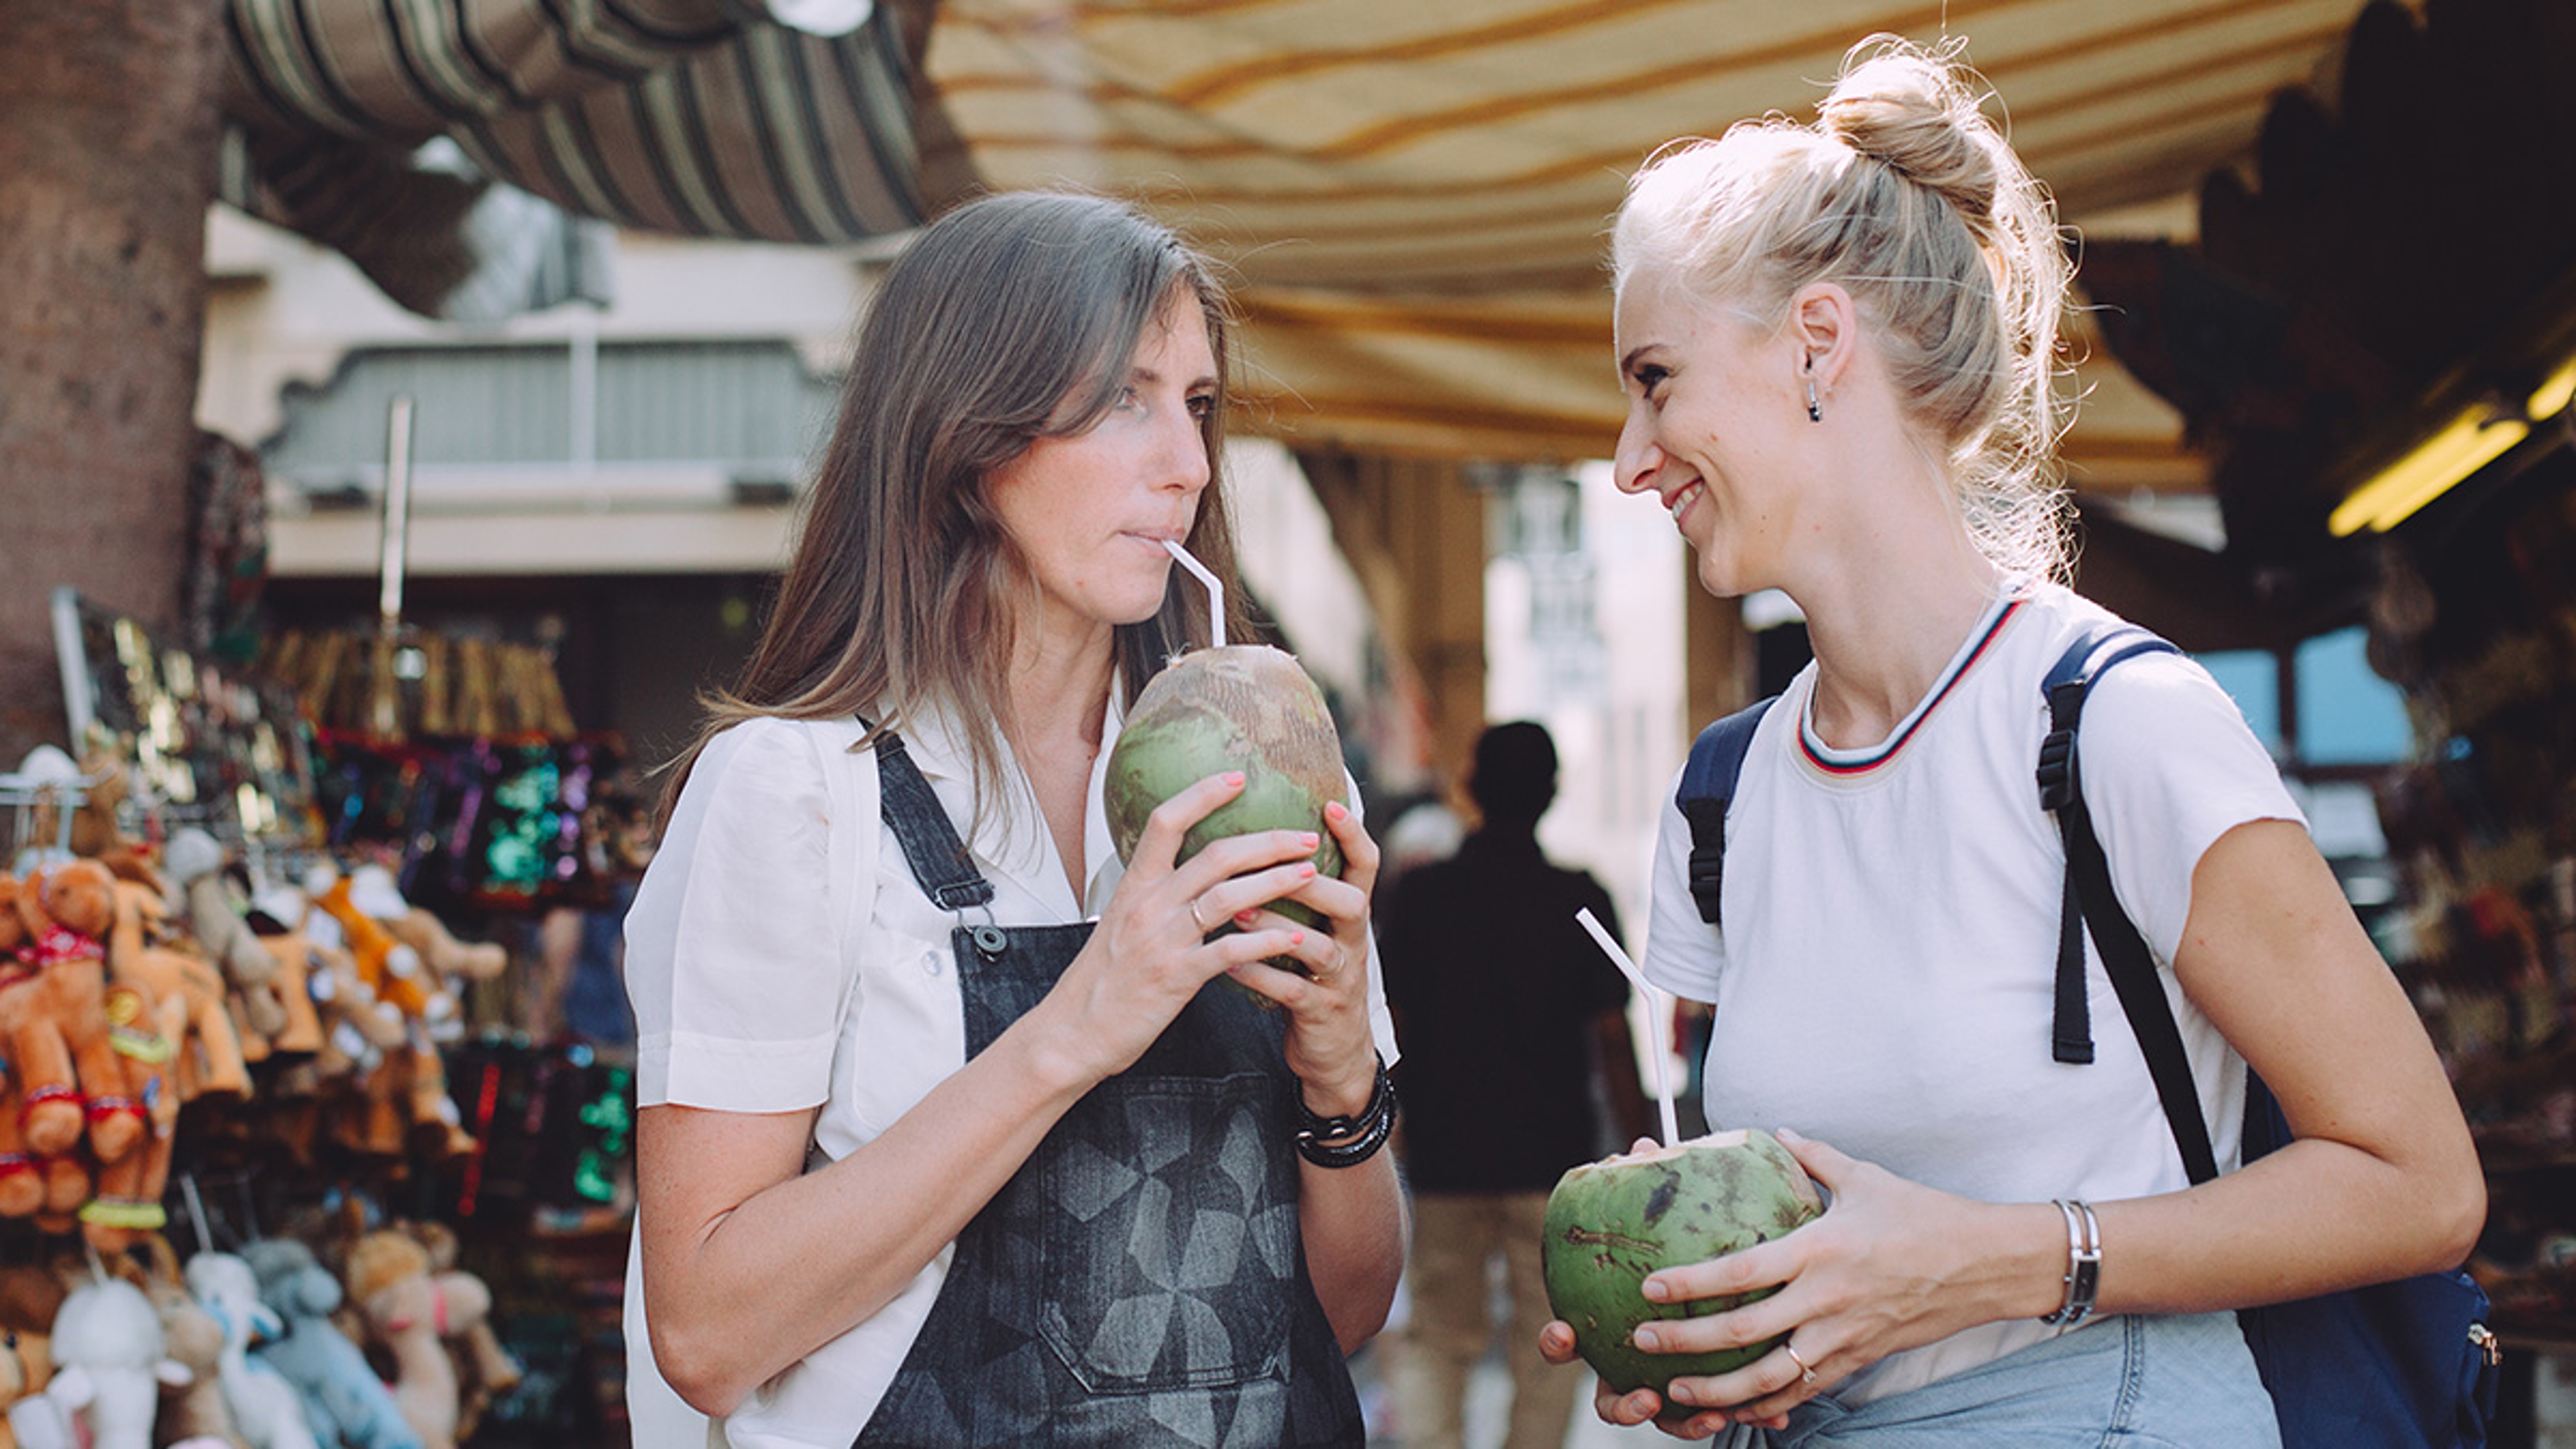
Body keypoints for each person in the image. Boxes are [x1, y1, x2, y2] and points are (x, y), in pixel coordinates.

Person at [1540, 35, 2486, 1446]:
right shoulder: (1722, 800)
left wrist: (1992, 1262)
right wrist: (1712, 1322)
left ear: (1817, 342)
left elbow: (2420, 1182)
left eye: (1656, 379)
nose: (1627, 455)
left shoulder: (2122, 725)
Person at [623, 190, 1405, 1449]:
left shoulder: (1268, 775)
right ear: (968, 436)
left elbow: (1345, 1312)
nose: (1189, 465)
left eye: (1198, 406)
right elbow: (708, 1335)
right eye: (1124, 400)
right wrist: (1071, 1033)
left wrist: (1338, 1079)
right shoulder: (797, 796)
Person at [1377, 720, 1648, 1449]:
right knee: (1551, 1340)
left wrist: (1389, 1131)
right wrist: (1638, 1142)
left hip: (1445, 1155)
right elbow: (1613, 1039)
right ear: (1552, 794)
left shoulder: (1422, 895)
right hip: (1550, 1165)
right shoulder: (1580, 899)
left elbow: (1390, 1025)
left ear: (1469, 787)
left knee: (1438, 1333)